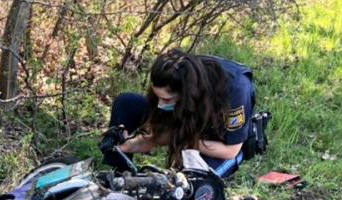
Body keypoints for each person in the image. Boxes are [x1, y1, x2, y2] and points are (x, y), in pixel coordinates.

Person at [101, 49, 256, 177]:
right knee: (126, 102)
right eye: (158, 97)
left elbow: (230, 150)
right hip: (186, 122)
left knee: (192, 187)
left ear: (187, 95)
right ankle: (118, 176)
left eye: (167, 100)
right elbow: (160, 126)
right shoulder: (175, 73)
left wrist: (176, 138)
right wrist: (128, 146)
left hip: (219, 143)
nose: (160, 105)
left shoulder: (235, 88)